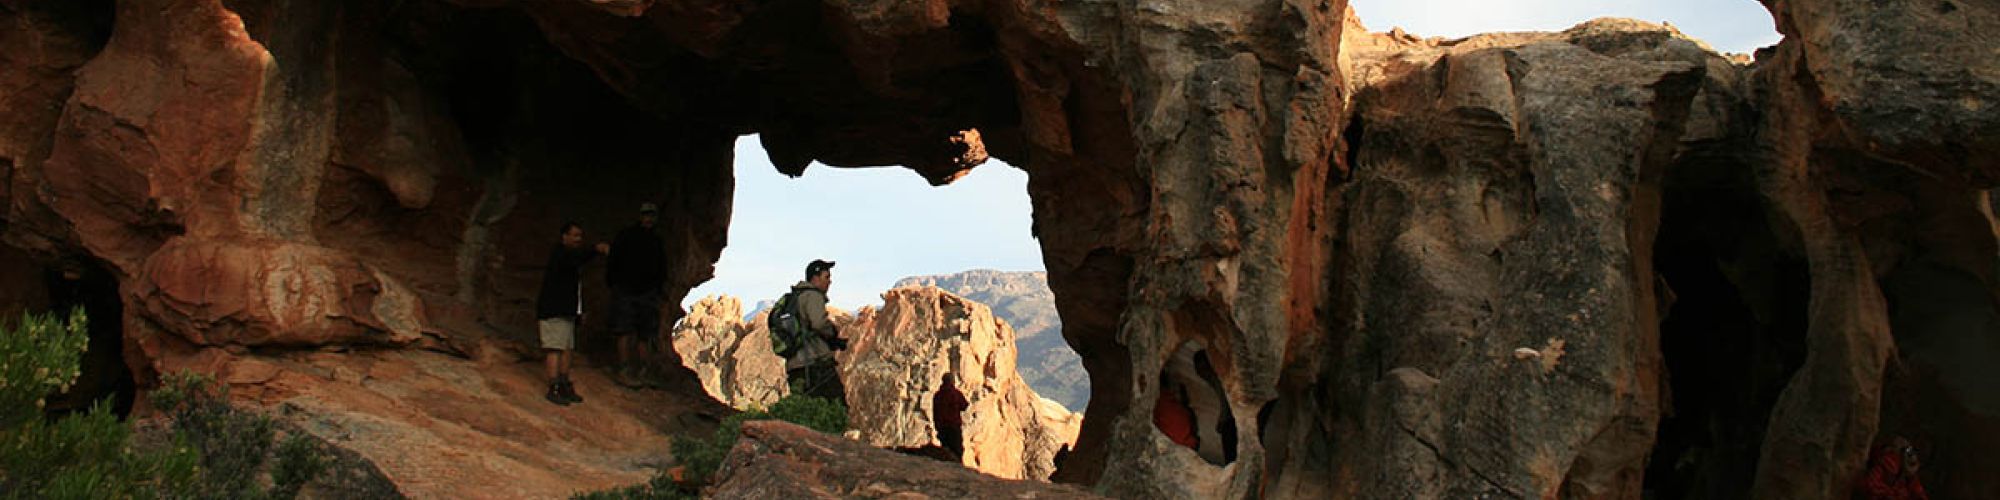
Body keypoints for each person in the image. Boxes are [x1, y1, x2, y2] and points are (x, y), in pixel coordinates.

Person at [536, 221, 609, 405]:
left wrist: (577, 312)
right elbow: (577, 258)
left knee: (567, 349)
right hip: (554, 310)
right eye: (575, 235)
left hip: (566, 311)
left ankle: (563, 383)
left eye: (580, 236)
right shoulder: (561, 254)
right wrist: (595, 250)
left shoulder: (569, 257)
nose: (578, 239)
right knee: (555, 348)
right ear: (564, 236)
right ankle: (553, 386)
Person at [606, 202, 668, 389]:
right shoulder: (627, 236)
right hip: (627, 290)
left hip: (645, 293)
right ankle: (625, 369)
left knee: (644, 333)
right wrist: (614, 284)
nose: (649, 219)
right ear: (640, 216)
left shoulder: (656, 241)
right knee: (624, 330)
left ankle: (643, 371)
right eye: (646, 215)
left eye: (652, 215)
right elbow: (614, 260)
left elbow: (661, 268)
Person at [784, 259, 847, 402]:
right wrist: (833, 334)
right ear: (815, 277)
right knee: (836, 405)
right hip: (815, 364)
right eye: (827, 277)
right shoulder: (812, 296)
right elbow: (818, 323)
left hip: (795, 366)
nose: (830, 281)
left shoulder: (796, 297)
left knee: (804, 407)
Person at [1855, 436, 1928, 500]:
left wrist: (1911, 477)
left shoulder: (1910, 478)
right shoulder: (1887, 464)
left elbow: (1920, 496)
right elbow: (1871, 487)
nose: (1913, 457)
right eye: (1910, 450)